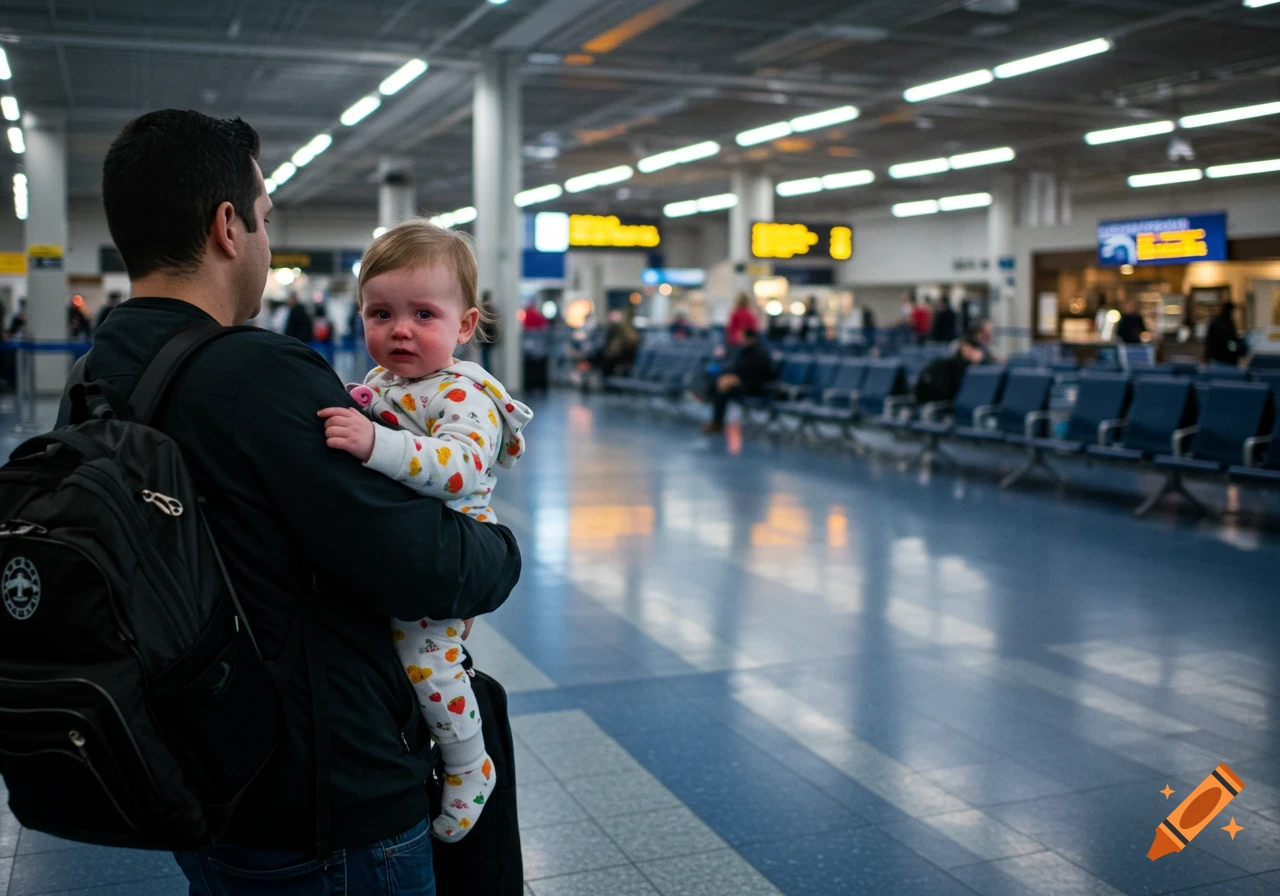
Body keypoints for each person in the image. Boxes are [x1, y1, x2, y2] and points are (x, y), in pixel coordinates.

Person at [63, 109, 519, 895]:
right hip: (325, 800)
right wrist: (503, 551)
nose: (268, 244)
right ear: (228, 227)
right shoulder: (257, 376)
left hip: (201, 776)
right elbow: (428, 565)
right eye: (267, 219)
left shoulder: (97, 376)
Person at [320, 221, 533, 843]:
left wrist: (374, 443)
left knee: (427, 661)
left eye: (422, 314)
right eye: (380, 313)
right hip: (405, 544)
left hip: (452, 540)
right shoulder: (391, 382)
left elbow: (460, 466)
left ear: (465, 326)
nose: (400, 329)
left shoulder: (464, 392)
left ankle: (471, 764)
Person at [701, 327, 774, 434]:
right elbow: (738, 369)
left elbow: (756, 375)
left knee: (723, 389)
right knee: (720, 383)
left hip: (754, 387)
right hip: (744, 382)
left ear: (750, 339)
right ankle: (715, 419)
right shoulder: (745, 351)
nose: (739, 340)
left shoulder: (760, 354)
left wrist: (735, 379)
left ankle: (717, 421)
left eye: (742, 338)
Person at [1204, 301, 1245, 366]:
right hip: (1224, 359)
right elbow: (1229, 342)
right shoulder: (1225, 324)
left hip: (1218, 358)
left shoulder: (1218, 322)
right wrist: (1239, 349)